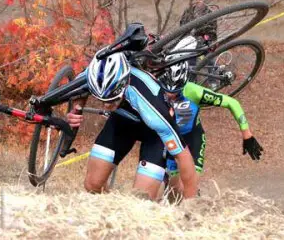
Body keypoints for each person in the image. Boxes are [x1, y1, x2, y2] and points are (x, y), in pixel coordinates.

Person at [66, 52, 199, 199]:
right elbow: (78, 92)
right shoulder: (94, 74)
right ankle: (110, 211)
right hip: (123, 122)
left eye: (112, 100)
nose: (106, 106)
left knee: (141, 199)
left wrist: (190, 203)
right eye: (101, 99)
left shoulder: (154, 108)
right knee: (92, 185)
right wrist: (76, 110)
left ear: (124, 85)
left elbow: (183, 156)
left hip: (154, 134)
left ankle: (164, 190)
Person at [158, 36, 264, 197]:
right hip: (170, 140)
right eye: (168, 91)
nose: (171, 95)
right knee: (172, 193)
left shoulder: (193, 91)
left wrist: (247, 134)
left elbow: (232, 103)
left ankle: (195, 199)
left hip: (193, 139)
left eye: (176, 92)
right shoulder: (155, 88)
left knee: (185, 190)